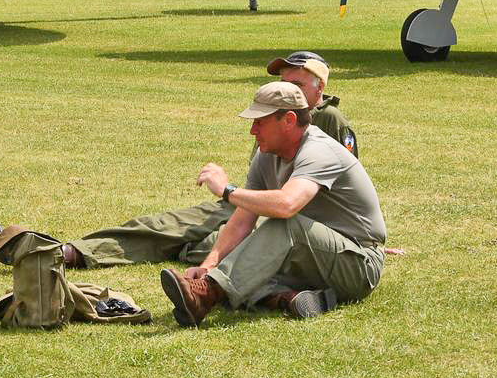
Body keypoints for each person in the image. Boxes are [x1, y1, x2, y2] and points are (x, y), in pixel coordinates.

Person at [24, 51, 355, 270]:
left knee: (196, 245)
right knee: (165, 224)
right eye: (282, 82)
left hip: (293, 219)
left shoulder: (330, 122)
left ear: (319, 88)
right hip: (250, 203)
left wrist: (350, 242)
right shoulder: (272, 113)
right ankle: (67, 253)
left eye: (296, 84)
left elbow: (344, 195)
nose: (285, 89)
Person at [160, 80, 385, 325]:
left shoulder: (319, 151)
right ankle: (287, 299)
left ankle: (206, 296)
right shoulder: (266, 154)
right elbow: (242, 221)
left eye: (260, 122)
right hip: (310, 258)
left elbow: (287, 204)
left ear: (288, 120)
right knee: (243, 264)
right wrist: (209, 266)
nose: (252, 131)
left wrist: (227, 190)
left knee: (284, 225)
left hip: (358, 264)